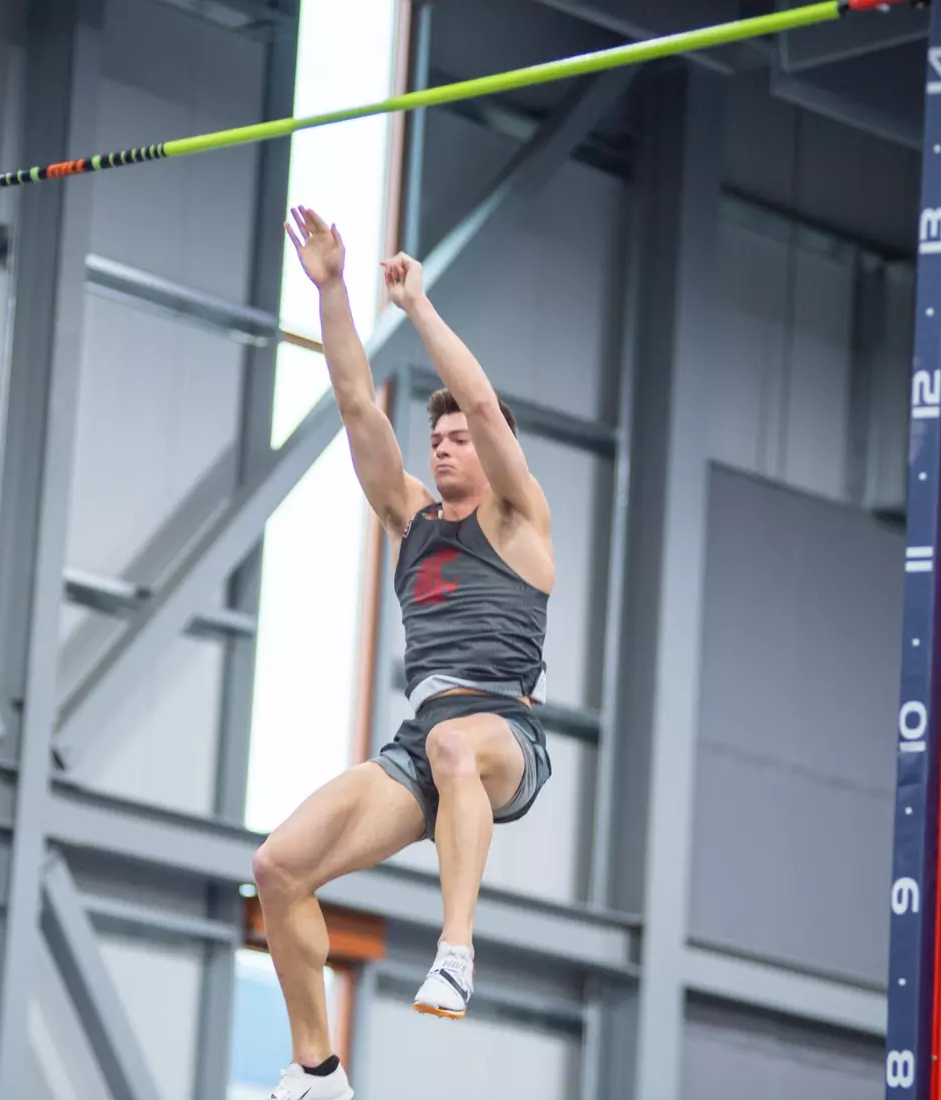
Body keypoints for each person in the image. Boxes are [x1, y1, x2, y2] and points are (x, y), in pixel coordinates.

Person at [250, 205, 554, 1100]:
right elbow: (353, 402)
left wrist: (417, 306)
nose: (446, 445)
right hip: (418, 748)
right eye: (438, 437)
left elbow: (488, 406)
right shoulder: (409, 522)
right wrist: (334, 289)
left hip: (502, 736)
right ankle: (317, 1072)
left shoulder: (518, 519)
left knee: (458, 744)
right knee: (278, 866)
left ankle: (454, 949)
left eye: (460, 438)